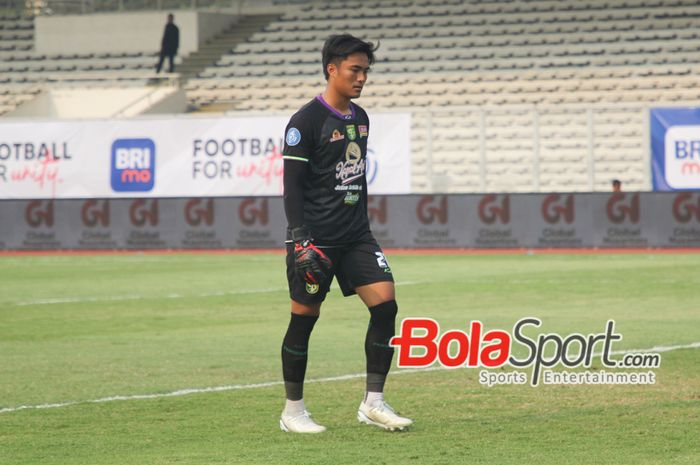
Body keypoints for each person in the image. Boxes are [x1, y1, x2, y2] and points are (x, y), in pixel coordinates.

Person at [279, 34, 413, 434]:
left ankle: (373, 403)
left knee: (386, 306)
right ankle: (293, 412)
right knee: (304, 319)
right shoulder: (305, 122)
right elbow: (292, 188)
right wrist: (300, 239)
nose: (362, 78)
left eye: (365, 71)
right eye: (355, 70)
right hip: (314, 239)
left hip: (356, 237)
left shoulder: (361, 118)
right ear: (331, 69)